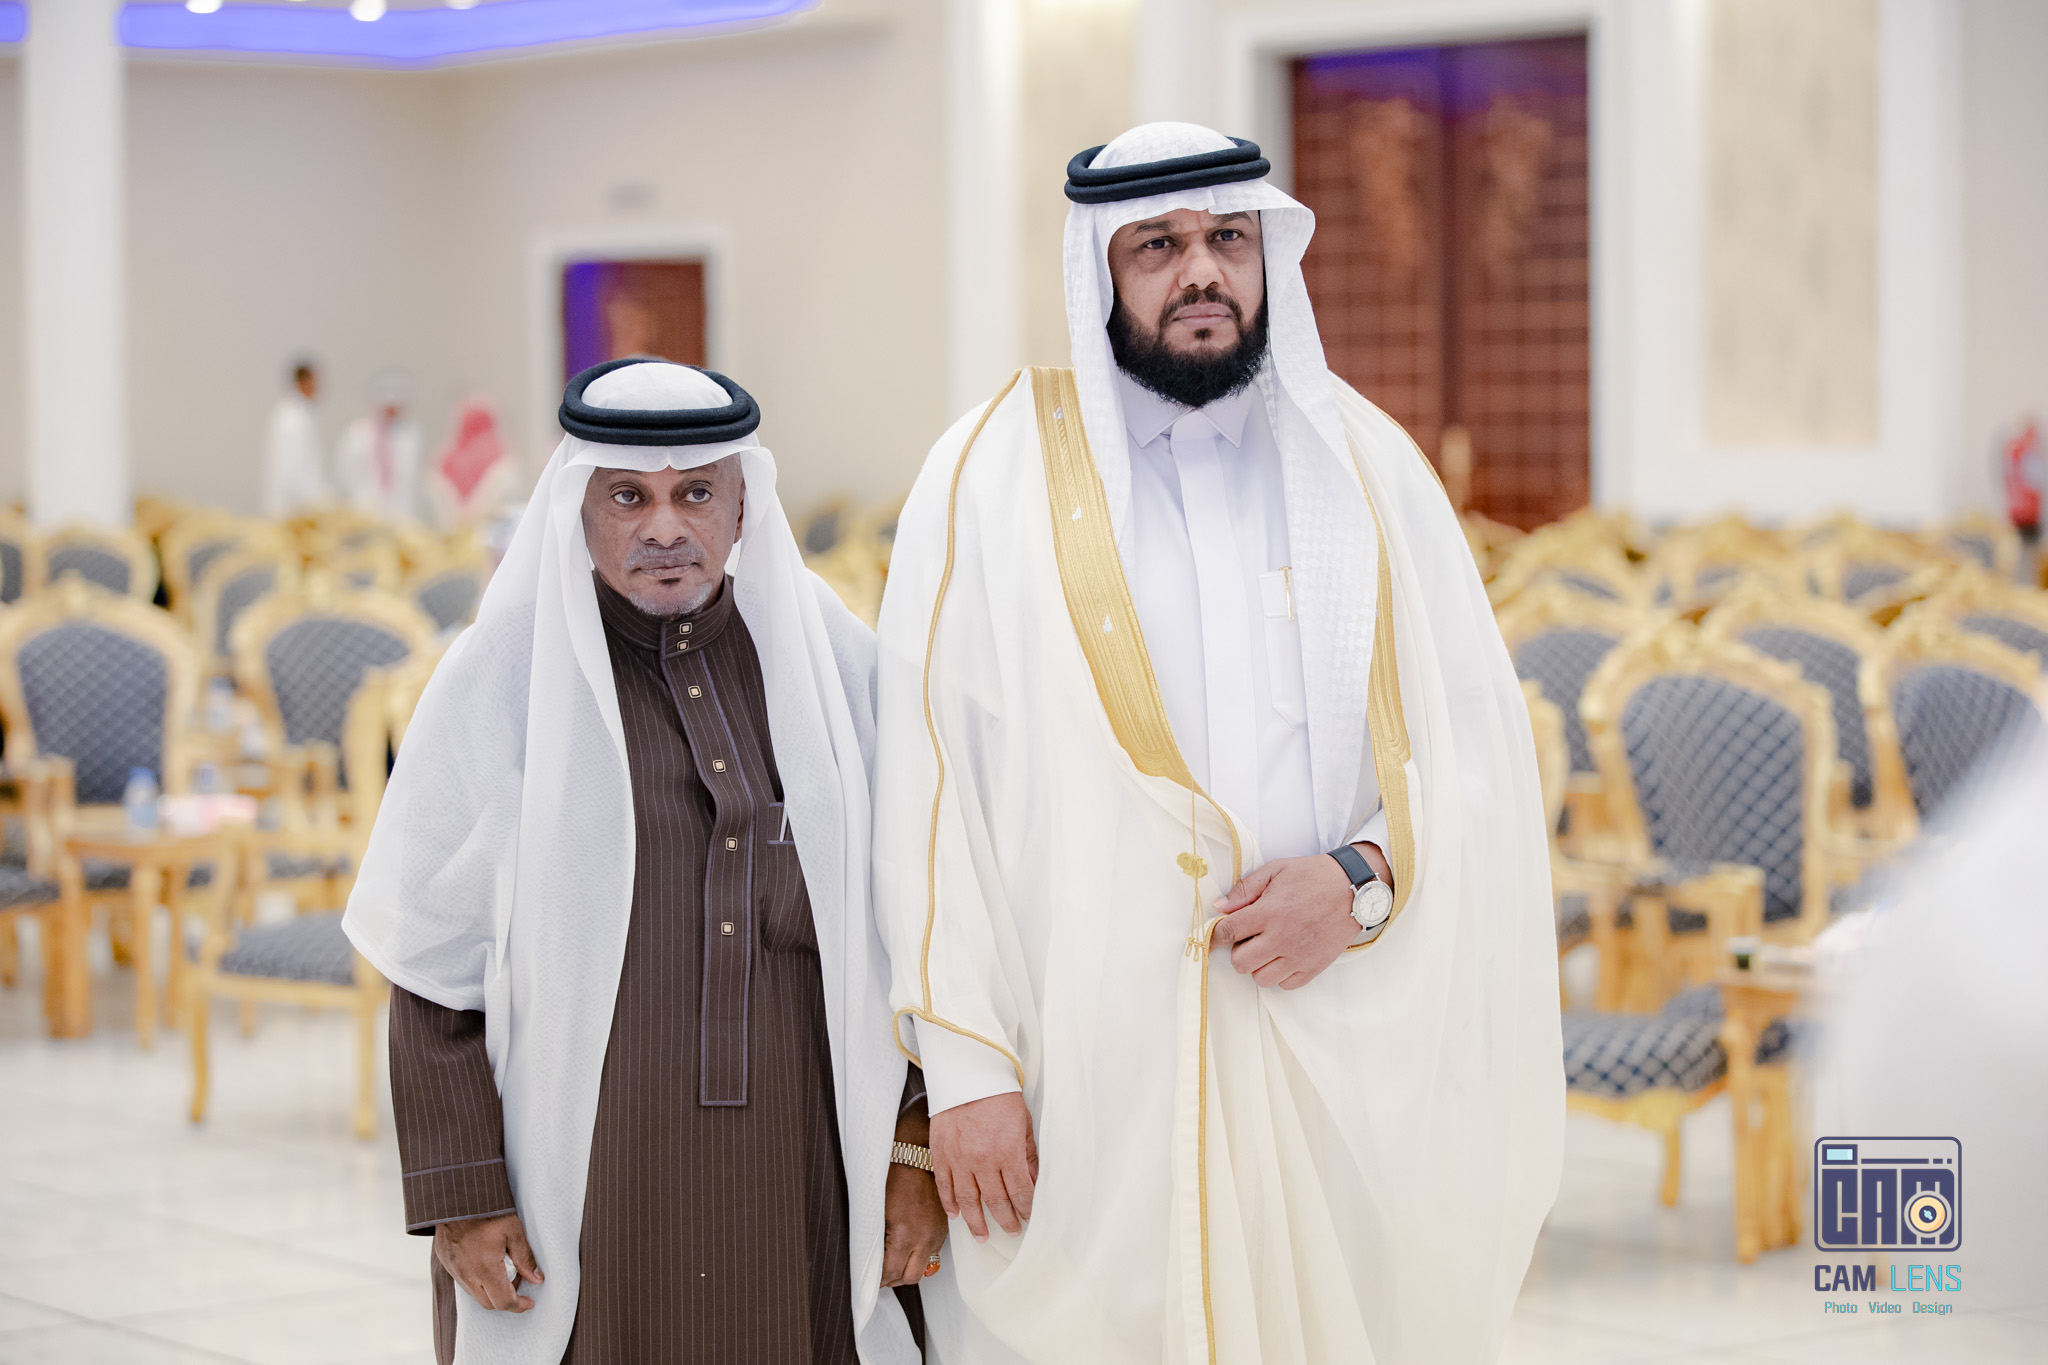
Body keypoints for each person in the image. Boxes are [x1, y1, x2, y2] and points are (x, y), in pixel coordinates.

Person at [872, 122, 1563, 1363]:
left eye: (1226, 239)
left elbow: (1471, 758)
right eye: (1157, 245)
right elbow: (927, 790)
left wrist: (1355, 884)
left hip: (1332, 1032)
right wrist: (965, 1072)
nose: (1200, 270)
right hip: (1085, 1066)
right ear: (1099, 269)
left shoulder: (1365, 468)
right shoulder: (986, 475)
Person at [344, 360, 944, 1365]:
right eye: (628, 497)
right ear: (577, 508)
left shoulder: (834, 666)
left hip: (804, 1180)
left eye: (695, 492)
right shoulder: (501, 679)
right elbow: (429, 965)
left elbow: (924, 922)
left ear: (743, 503)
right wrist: (463, 1194)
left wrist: (914, 1149)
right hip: (582, 1193)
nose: (665, 527)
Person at [336, 369, 424, 521]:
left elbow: (412, 479)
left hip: (401, 511)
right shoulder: (358, 434)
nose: (392, 411)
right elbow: (346, 475)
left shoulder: (411, 435)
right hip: (366, 510)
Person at [261, 358, 327, 517]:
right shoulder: (291, 418)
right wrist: (311, 500)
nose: (318, 388)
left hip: (298, 504)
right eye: (314, 382)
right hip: (293, 508)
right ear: (303, 382)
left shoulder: (298, 414)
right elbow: (292, 465)